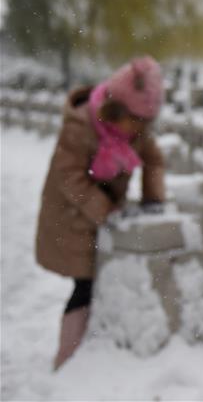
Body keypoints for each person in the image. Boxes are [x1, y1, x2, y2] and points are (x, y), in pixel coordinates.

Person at [34, 56, 166, 369]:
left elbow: (155, 160)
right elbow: (70, 179)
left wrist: (152, 198)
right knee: (85, 283)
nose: (138, 132)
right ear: (115, 110)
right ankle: (68, 358)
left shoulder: (136, 132)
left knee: (100, 280)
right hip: (71, 217)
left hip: (102, 217)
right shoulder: (80, 127)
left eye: (144, 125)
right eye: (134, 122)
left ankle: (92, 352)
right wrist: (105, 209)